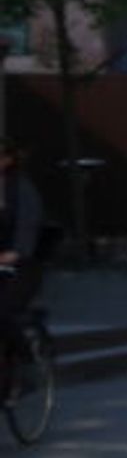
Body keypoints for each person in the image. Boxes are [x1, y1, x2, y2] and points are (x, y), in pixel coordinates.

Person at [0, 141, 46, 346]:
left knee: (4, 310)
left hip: (19, 265)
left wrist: (17, 251)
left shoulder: (21, 188)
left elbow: (28, 222)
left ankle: (25, 357)